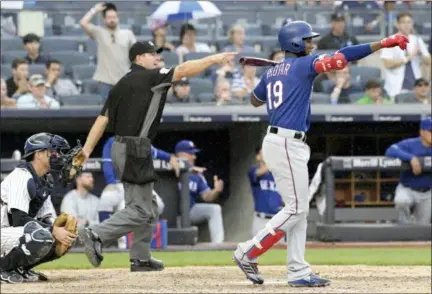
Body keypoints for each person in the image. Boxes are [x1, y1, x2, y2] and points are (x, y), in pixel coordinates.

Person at [232, 20, 409, 287]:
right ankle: (247, 251)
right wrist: (382, 43)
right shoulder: (303, 65)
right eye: (307, 40)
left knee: (299, 210)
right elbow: (343, 57)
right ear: (294, 42)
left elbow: (254, 101)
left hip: (281, 141)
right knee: (296, 209)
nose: (311, 44)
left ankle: (298, 271)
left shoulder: (271, 73)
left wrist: (275, 75)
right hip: (286, 143)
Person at [76, 39, 236, 271]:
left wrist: (87, 149)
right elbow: (184, 70)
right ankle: (95, 234)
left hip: (122, 147)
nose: (156, 57)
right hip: (135, 147)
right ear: (139, 58)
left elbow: (102, 119)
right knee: (141, 209)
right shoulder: (150, 76)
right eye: (152, 54)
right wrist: (214, 59)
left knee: (148, 203)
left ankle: (140, 257)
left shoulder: (121, 83)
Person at [0, 133, 76, 283]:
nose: (58, 156)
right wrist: (53, 230)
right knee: (42, 236)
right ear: (39, 154)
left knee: (60, 239)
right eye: (53, 151)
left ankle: (20, 268)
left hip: (10, 234)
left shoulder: (44, 180)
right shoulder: (21, 176)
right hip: (4, 231)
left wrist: (60, 230)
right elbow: (18, 219)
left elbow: (45, 218)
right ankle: (3, 268)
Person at [98, 136, 179, 248]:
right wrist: (110, 182)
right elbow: (107, 163)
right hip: (119, 184)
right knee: (107, 199)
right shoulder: (112, 141)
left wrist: (170, 157)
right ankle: (108, 242)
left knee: (159, 205)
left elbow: (155, 152)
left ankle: (144, 237)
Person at [80, 2, 137, 99]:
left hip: (125, 80)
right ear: (104, 19)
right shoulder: (99, 32)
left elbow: (137, 54)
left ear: (118, 18)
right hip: (105, 81)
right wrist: (94, 10)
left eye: (114, 17)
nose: (112, 20)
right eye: (109, 17)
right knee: (106, 112)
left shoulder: (128, 34)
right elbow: (83, 23)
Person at [175, 140, 225, 244]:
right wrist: (189, 168)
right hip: (172, 214)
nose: (194, 157)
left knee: (215, 209)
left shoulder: (197, 175)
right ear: (180, 154)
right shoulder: (170, 169)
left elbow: (207, 197)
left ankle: (218, 245)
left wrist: (216, 191)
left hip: (190, 211)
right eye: (191, 154)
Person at [384, 117, 432, 225]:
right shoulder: (411, 144)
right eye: (431, 131)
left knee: (422, 228)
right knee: (401, 202)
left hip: (428, 193)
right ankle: (404, 227)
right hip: (407, 189)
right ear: (422, 132)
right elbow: (390, 150)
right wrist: (411, 158)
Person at [381, 12, 431, 99]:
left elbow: (428, 61)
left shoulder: (417, 40)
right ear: (397, 24)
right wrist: (408, 57)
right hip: (396, 86)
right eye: (403, 22)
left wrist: (420, 54)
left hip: (416, 85)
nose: (406, 25)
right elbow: (387, 63)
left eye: (409, 22)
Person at [248, 146, 284, 236]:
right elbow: (258, 173)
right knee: (259, 249)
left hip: (277, 220)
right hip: (261, 220)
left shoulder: (278, 174)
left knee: (280, 249)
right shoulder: (253, 170)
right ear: (258, 157)